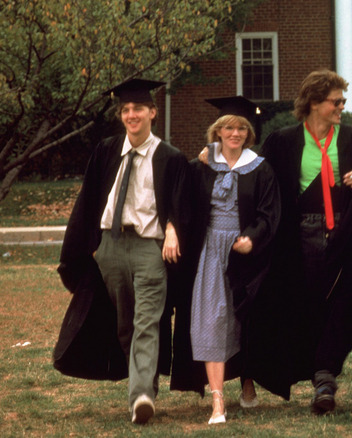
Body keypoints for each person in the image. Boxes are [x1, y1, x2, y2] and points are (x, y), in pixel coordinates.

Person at [54, 78, 190, 424]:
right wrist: (91, 249)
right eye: (126, 110)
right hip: (110, 248)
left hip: (149, 249)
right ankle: (143, 383)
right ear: (122, 115)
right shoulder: (107, 150)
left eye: (139, 109)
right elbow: (89, 200)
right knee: (125, 325)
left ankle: (141, 395)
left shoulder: (170, 157)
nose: (132, 115)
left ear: (152, 113)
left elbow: (182, 201)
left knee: (147, 321)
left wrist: (174, 228)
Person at [260, 70, 352, 415]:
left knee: (344, 301)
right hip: (300, 234)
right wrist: (208, 157)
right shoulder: (283, 141)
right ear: (313, 103)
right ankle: (317, 375)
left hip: (344, 232)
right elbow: (259, 177)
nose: (342, 107)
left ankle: (325, 376)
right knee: (307, 303)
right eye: (335, 102)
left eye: (343, 101)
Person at [171, 96, 281, 424]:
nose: (235, 133)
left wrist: (254, 237)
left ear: (249, 133)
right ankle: (218, 401)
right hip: (209, 252)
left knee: (245, 320)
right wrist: (171, 228)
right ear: (217, 131)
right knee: (211, 322)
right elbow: (179, 203)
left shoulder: (259, 168)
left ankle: (247, 379)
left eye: (241, 128)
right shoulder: (201, 167)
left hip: (245, 253)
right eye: (228, 127)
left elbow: (269, 212)